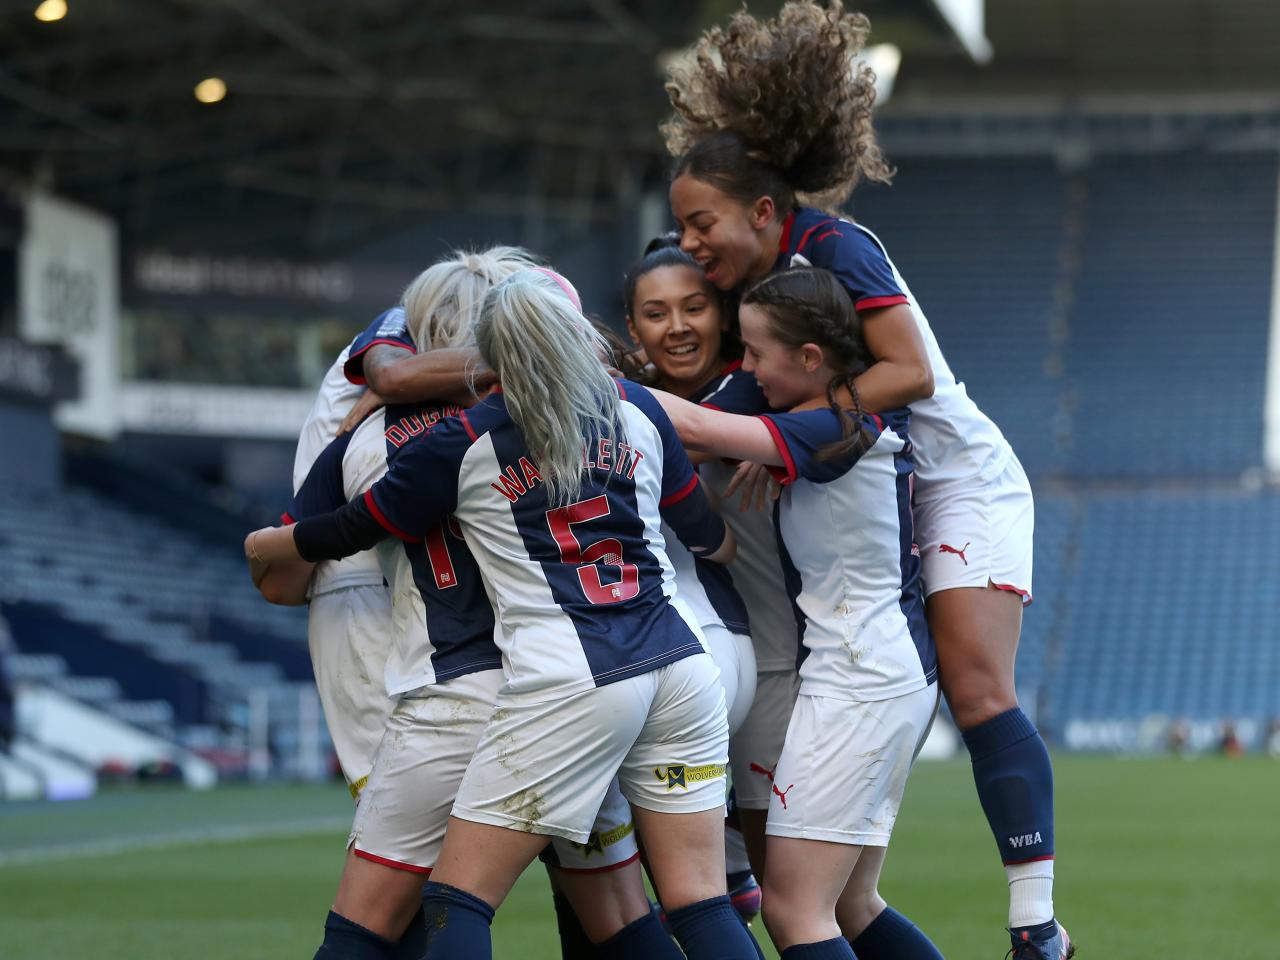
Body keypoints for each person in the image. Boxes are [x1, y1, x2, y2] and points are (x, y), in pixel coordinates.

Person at [662, 5, 1069, 956]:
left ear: (763, 211)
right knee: (843, 902)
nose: (690, 244)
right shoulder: (754, 290)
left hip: (953, 470)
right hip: (878, 490)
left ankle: (1036, 923)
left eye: (700, 223)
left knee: (975, 689)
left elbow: (909, 376)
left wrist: (788, 436)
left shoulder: (836, 247)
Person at [247, 269, 762, 960]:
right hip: (671, 666)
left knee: (436, 907)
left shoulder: (435, 440)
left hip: (510, 686)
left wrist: (263, 542)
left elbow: (330, 543)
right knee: (681, 907)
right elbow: (713, 537)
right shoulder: (634, 406)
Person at [654, 266, 941, 960]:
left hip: (862, 679)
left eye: (755, 354)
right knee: (850, 905)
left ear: (811, 359)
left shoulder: (829, 426)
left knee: (794, 910)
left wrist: (559, 371)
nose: (747, 370)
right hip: (880, 670)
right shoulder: (839, 416)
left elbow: (691, 423)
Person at [622, 238, 798, 885]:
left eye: (693, 307)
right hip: (680, 656)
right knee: (703, 883)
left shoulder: (753, 388)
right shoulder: (639, 400)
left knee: (794, 896)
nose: (676, 327)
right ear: (634, 328)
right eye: (656, 313)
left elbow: (685, 434)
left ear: (722, 315)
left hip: (776, 658)